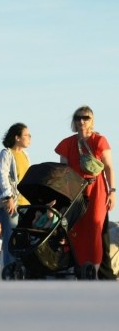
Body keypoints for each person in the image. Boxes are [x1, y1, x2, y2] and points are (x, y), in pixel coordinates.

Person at [55, 106, 115, 279]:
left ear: (92, 120)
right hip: (76, 192)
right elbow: (63, 172)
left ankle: (93, 273)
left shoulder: (99, 140)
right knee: (77, 230)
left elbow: (109, 167)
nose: (81, 121)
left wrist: (112, 191)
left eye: (85, 118)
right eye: (78, 118)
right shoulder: (67, 143)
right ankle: (81, 269)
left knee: (95, 229)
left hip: (97, 191)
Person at [0, 123, 32, 273]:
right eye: (27, 135)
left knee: (24, 241)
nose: (29, 138)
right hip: (11, 204)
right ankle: (9, 272)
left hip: (26, 205)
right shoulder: (7, 154)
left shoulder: (25, 156)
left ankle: (22, 272)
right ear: (17, 137)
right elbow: (2, 175)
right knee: (10, 239)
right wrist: (8, 197)